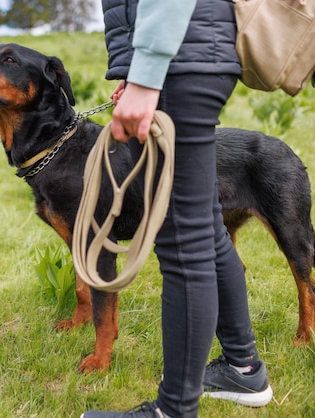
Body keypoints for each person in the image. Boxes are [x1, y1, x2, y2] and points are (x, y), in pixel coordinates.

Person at [81, 0, 273, 417]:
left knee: (182, 240)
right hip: (189, 54)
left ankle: (174, 410)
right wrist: (139, 72)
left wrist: (148, 74)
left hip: (180, 59)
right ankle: (243, 368)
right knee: (201, 224)